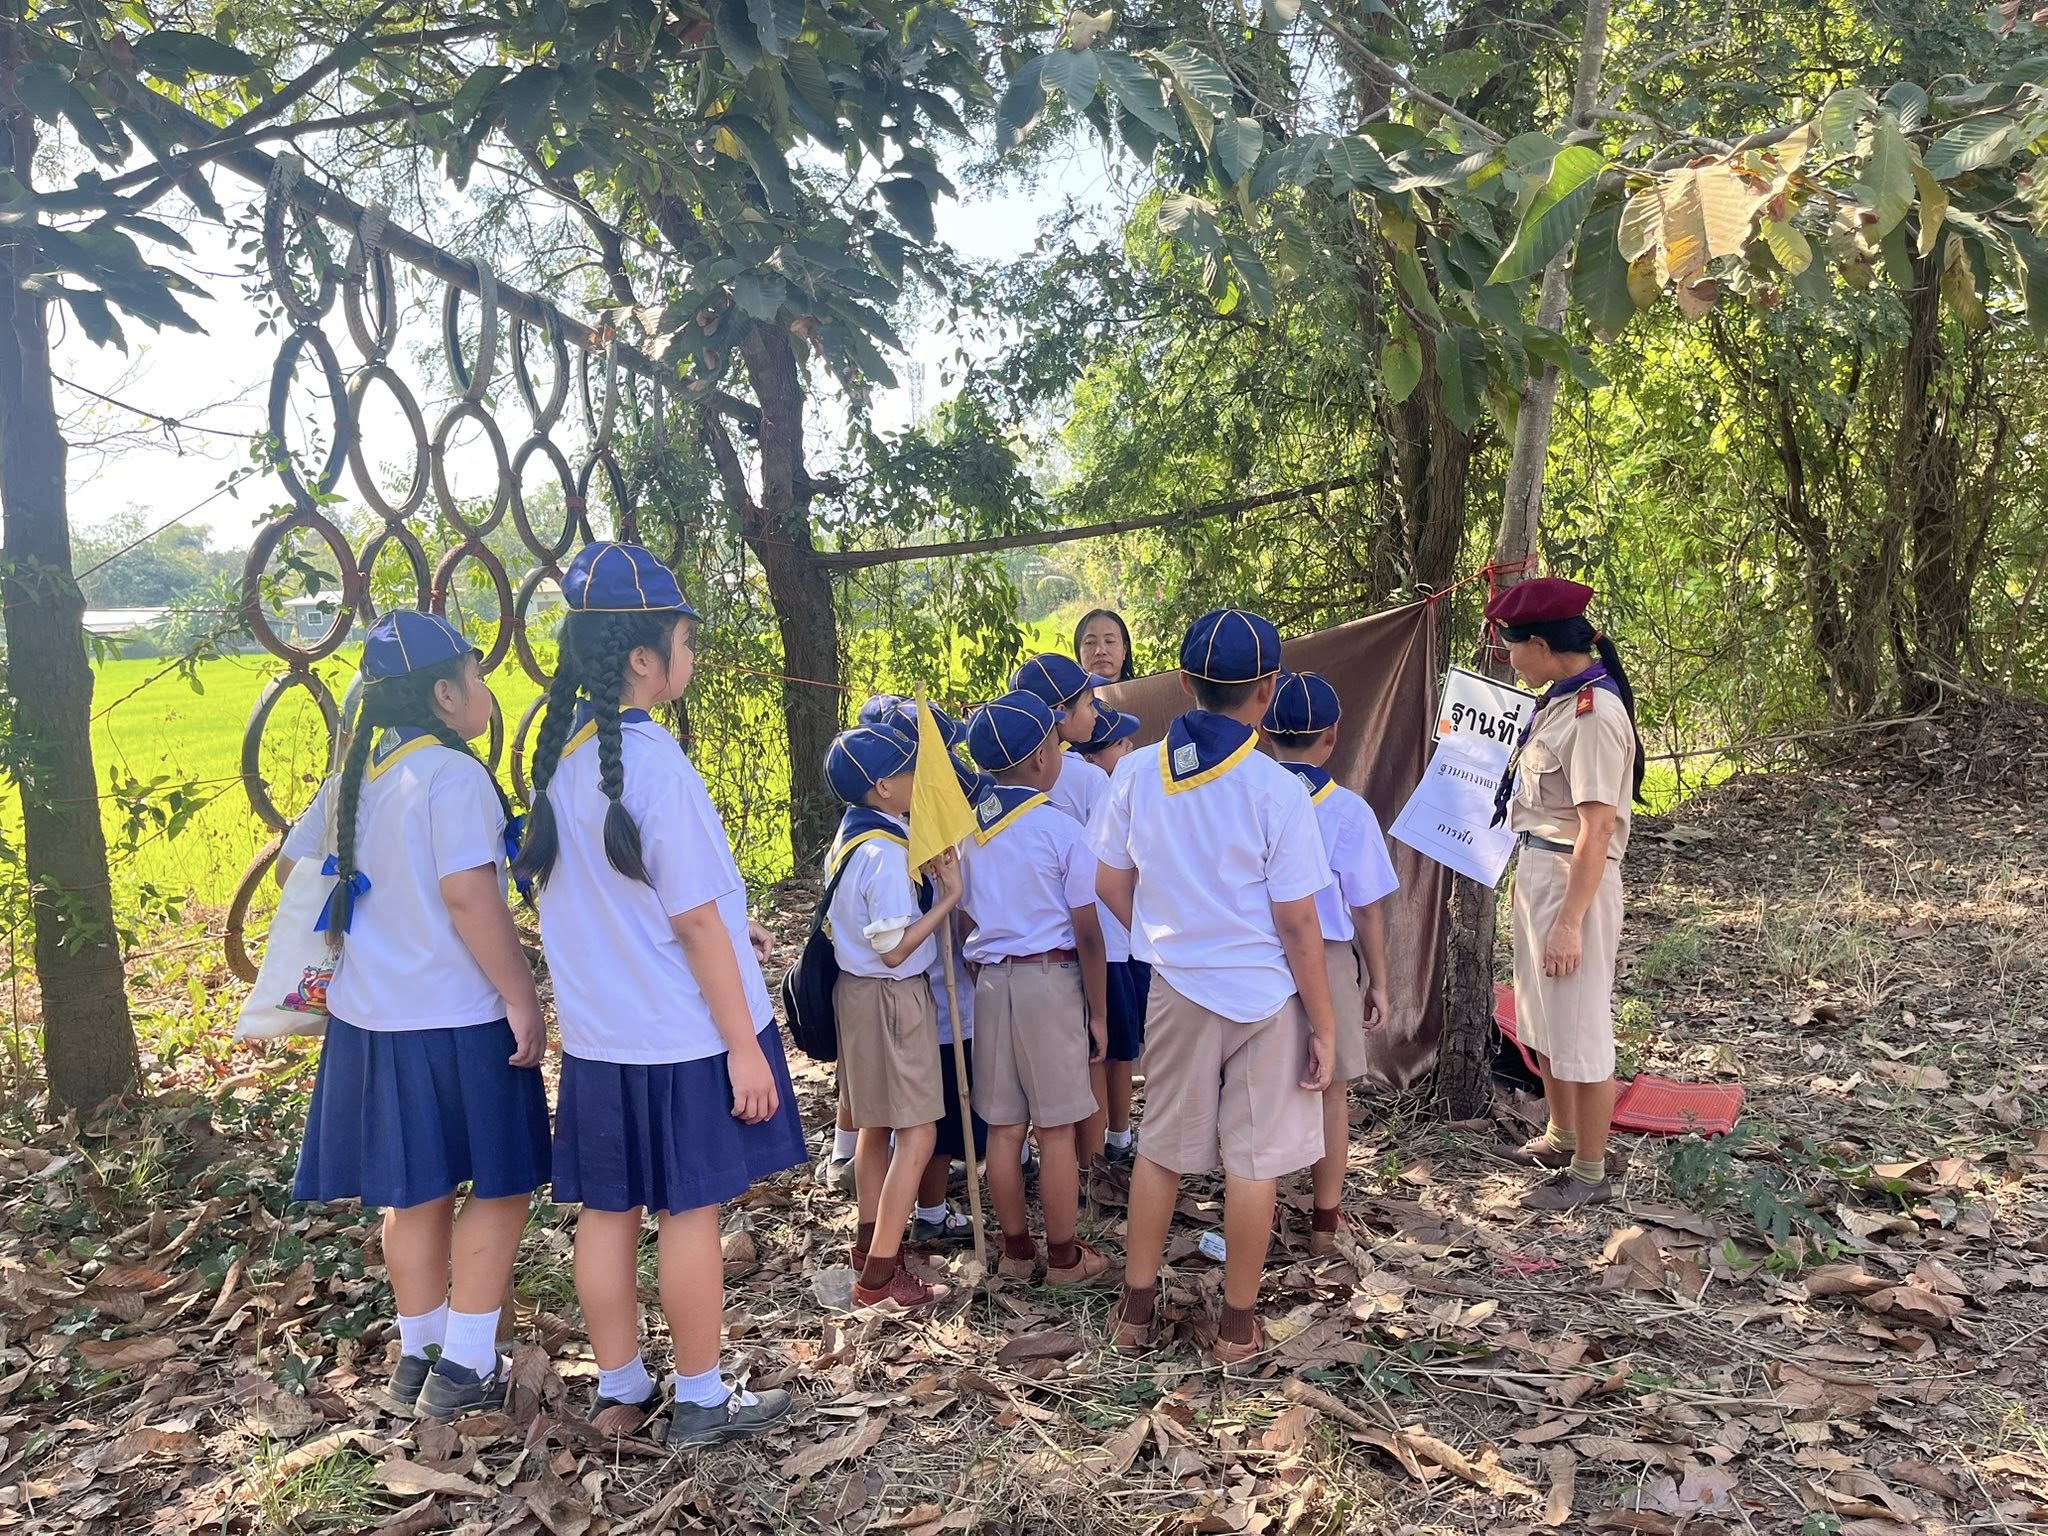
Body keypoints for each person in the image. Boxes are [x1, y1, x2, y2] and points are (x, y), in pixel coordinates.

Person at [516, 541, 806, 1447]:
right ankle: (703, 1398)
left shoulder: (560, 762)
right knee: (689, 1214)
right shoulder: (655, 764)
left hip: (600, 1039)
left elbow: (632, 899)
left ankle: (620, 1385)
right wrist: (745, 1045)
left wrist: (730, 926)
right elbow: (693, 923)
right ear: (644, 658)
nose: (694, 655)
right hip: (682, 1037)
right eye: (687, 640)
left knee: (607, 1216)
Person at [284, 610, 550, 1421]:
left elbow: (300, 873)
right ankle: (466, 1364)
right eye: (476, 675)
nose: (485, 690)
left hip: (370, 1022)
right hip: (458, 1017)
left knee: (416, 1193)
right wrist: (521, 995)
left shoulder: (357, 777)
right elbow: (469, 896)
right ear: (444, 694)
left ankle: (418, 1356)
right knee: (502, 1185)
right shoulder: (452, 775)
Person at [1091, 608, 1339, 1364]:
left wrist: (1167, 935)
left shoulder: (1136, 773)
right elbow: (1298, 923)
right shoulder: (1277, 790)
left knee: (1161, 1148)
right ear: (1268, 689)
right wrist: (1325, 1024)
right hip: (1266, 996)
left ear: (1185, 682)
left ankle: (1134, 1314)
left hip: (1176, 987)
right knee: (1254, 1163)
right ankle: (1236, 1326)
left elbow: (1109, 884)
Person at [1486, 576, 1646, 1212]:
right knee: (1543, 1018)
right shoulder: (1558, 702)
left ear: (1543, 645)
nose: (1510, 660)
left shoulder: (1594, 714)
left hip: (1573, 879)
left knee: (1579, 1026)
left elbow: (1597, 826)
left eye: (1512, 648)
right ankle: (1561, 1136)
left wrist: (1570, 922)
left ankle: (1590, 1170)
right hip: (1540, 871)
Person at [960, 692, 1115, 1285]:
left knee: (1003, 1129)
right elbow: (1089, 933)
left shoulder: (968, 834)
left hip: (992, 983)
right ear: (1040, 758)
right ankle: (1066, 1259)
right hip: (1051, 981)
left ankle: (1017, 1251)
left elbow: (964, 921)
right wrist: (1098, 1011)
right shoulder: (1061, 829)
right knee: (1055, 1129)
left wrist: (983, 971)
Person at [822, 722, 964, 1308]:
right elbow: (895, 949)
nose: (919, 779)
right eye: (910, 770)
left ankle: (869, 1247)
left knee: (875, 1126)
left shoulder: (853, 835)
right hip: (891, 996)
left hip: (858, 994)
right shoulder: (883, 853)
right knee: (920, 1132)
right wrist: (949, 896)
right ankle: (880, 1277)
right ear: (883, 785)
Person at [1262, 670, 1399, 1254]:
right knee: (1332, 1090)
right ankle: (1324, 1223)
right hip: (1331, 958)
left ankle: (1259, 1215)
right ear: (1333, 735)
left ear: (1266, 732)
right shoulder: (1348, 810)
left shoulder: (1252, 796)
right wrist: (1379, 982)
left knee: (1264, 1089)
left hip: (1264, 958)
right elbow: (1366, 909)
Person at [1073, 705, 1147, 1190]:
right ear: (1096, 754)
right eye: (1121, 743)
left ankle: (1095, 1148)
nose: (1130, 749)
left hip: (1072, 939)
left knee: (1095, 1049)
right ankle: (1111, 1142)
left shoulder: (1058, 775)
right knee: (1115, 1048)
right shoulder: (1100, 783)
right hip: (1112, 936)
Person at [1010, 653, 1109, 825]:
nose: (1096, 713)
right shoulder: (1090, 778)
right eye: (1089, 704)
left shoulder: (1010, 772)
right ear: (1061, 712)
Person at [1075, 608, 1137, 683]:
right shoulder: (1066, 691)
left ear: (1124, 650)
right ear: (1079, 651)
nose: (1100, 651)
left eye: (1109, 641)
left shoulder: (1145, 689)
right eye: (1090, 642)